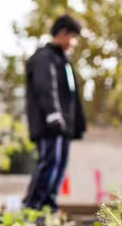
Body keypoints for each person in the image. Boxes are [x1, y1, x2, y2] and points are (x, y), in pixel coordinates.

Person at [23, 15, 87, 212]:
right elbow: (46, 87)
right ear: (63, 34)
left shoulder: (63, 61)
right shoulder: (45, 57)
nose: (74, 43)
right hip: (49, 123)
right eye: (73, 37)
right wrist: (53, 114)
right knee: (50, 162)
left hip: (63, 124)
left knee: (59, 166)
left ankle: (49, 205)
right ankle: (32, 206)